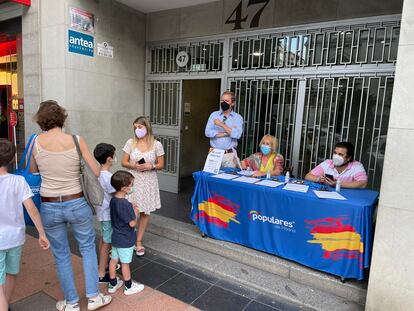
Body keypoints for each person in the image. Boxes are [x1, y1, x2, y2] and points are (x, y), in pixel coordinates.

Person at [29, 100, 112, 311]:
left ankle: (72, 302)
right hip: (76, 202)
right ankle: (94, 297)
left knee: (61, 255)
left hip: (49, 206)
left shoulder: (35, 143)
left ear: (41, 120)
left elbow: (33, 171)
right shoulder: (76, 140)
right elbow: (95, 170)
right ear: (62, 118)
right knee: (86, 248)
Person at [0, 139, 50, 311]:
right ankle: (5, 303)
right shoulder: (19, 181)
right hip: (15, 238)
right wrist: (41, 233)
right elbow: (32, 209)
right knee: (12, 273)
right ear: (12, 158)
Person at [121, 116, 165, 257]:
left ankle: (138, 241)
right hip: (133, 180)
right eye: (135, 127)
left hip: (149, 181)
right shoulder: (130, 142)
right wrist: (135, 165)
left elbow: (161, 164)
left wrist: (150, 166)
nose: (137, 130)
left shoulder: (156, 144)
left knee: (145, 212)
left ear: (147, 127)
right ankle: (126, 239)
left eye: (139, 127)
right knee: (130, 210)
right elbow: (123, 162)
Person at [107, 170, 144, 295]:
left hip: (116, 236)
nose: (132, 187)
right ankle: (128, 286)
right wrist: (136, 213)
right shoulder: (125, 204)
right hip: (126, 238)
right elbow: (132, 223)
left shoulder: (113, 200)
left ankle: (112, 284)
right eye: (131, 184)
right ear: (124, 187)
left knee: (113, 260)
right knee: (125, 263)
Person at [93, 143, 117, 284]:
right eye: (113, 155)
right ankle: (101, 273)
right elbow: (115, 194)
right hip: (108, 214)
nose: (114, 158)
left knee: (104, 240)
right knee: (107, 243)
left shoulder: (98, 174)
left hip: (102, 213)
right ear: (109, 159)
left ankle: (102, 266)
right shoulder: (108, 177)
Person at [205, 91, 244, 168]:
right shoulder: (214, 115)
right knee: (211, 178)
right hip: (214, 153)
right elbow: (207, 132)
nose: (223, 103)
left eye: (226, 101)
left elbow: (237, 135)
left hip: (229, 154)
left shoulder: (238, 118)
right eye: (222, 100)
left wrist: (221, 124)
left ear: (232, 103)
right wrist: (228, 133)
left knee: (228, 177)